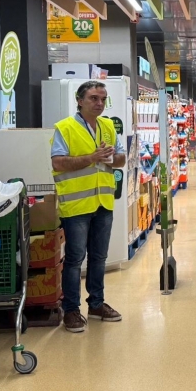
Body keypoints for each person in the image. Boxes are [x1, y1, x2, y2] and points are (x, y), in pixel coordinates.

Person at [50, 80, 125, 333]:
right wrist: (91, 158)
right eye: (94, 98)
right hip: (77, 203)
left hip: (103, 201)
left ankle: (96, 303)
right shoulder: (65, 128)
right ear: (79, 100)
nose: (99, 103)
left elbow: (122, 159)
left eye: (103, 99)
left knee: (99, 257)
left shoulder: (108, 126)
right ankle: (71, 310)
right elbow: (58, 163)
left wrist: (112, 157)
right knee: (74, 259)